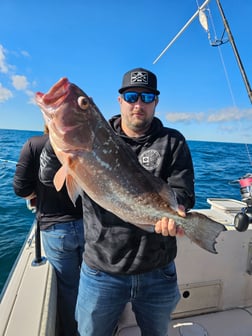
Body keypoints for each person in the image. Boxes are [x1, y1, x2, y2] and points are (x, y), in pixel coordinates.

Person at [40, 67, 195, 336]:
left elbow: (184, 194)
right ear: (120, 100)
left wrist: (176, 213)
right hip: (102, 270)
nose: (139, 104)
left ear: (156, 102)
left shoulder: (173, 141)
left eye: (147, 98)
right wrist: (56, 143)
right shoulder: (97, 134)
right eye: (132, 96)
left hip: (158, 270)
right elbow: (46, 178)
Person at [13, 125, 84, 336]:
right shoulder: (83, 148)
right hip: (88, 226)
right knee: (92, 282)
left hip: (55, 230)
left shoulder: (33, 145)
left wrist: (38, 192)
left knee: (68, 289)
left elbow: (20, 189)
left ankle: (75, 332)